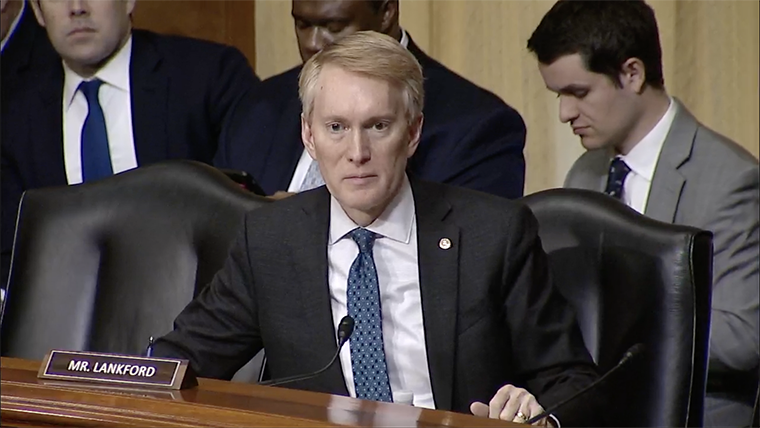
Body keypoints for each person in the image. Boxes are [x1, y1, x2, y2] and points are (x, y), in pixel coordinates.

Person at [154, 30, 601, 428]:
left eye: (378, 126)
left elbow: (571, 379)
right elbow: (178, 363)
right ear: (309, 137)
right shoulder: (270, 239)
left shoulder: (493, 234)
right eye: (336, 127)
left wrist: (537, 414)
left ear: (412, 133)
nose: (357, 151)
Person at [527, 1, 760, 426]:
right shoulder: (584, 173)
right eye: (558, 96)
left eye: (578, 93)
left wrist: (623, 344)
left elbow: (744, 337)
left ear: (632, 73)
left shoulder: (731, 180)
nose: (565, 113)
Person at [0, 0, 260, 288]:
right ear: (37, 11)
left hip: (196, 304)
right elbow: (13, 257)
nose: (76, 8)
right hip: (67, 315)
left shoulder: (209, 76)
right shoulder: (13, 113)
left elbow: (247, 216)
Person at [214, 0, 526, 200]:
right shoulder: (257, 107)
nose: (313, 43)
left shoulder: (476, 124)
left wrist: (302, 225)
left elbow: (469, 261)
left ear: (387, 11)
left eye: (334, 26)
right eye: (303, 24)